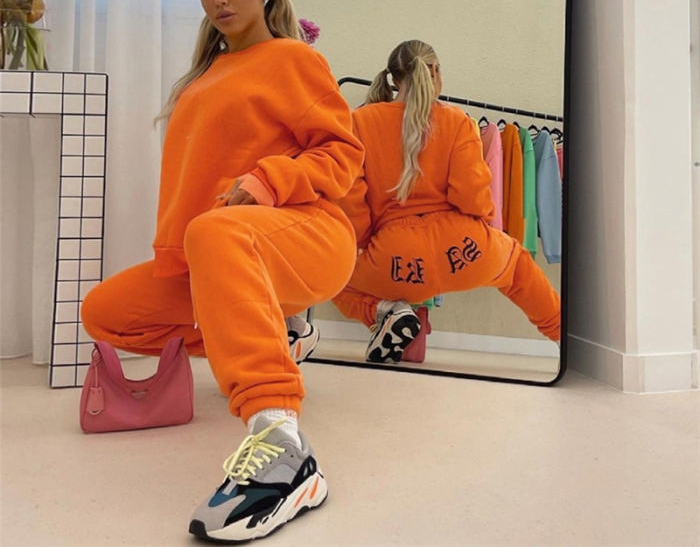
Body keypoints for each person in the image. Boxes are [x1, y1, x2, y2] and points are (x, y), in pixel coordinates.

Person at [80, 0, 363, 542]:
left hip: (307, 233)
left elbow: (342, 154)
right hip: (218, 248)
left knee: (217, 232)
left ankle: (283, 447)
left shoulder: (292, 58)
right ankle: (274, 335)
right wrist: (177, 255)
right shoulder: (203, 76)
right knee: (106, 313)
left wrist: (265, 182)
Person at [332, 40, 560, 363]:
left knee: (335, 278)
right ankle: (565, 337)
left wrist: (367, 243)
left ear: (394, 79)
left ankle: (385, 312)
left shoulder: (359, 122)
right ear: (435, 71)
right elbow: (471, 194)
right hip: (464, 250)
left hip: (395, 259)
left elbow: (350, 196)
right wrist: (483, 224)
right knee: (517, 267)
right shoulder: (457, 120)